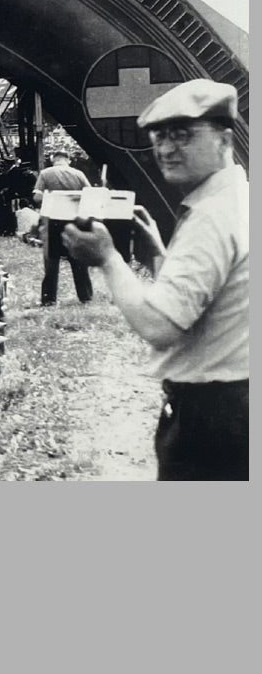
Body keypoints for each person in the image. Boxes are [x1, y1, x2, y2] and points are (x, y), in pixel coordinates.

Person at [62, 79, 248, 481]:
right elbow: (214, 304)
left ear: (223, 138)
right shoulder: (239, 199)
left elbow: (159, 326)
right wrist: (163, 252)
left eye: (182, 136)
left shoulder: (212, 217)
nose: (166, 149)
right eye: (159, 136)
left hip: (211, 413)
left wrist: (108, 258)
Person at [33, 150, 93, 305]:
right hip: (74, 221)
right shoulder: (78, 174)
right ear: (69, 160)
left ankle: (49, 299)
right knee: (78, 259)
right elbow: (90, 196)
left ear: (53, 160)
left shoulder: (45, 173)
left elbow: (37, 197)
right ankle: (85, 296)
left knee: (51, 261)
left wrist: (53, 197)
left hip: (53, 220)